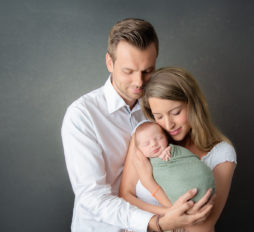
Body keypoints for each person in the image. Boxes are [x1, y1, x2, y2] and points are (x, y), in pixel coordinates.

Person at [61, 18, 214, 232]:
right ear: (109, 63)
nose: (139, 82)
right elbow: (92, 197)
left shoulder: (159, 110)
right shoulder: (82, 116)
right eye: (128, 71)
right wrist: (155, 222)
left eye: (147, 70)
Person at [120, 67, 237, 232]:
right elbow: (125, 197)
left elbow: (202, 225)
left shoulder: (221, 154)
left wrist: (149, 182)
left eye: (175, 112)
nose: (168, 125)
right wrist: (168, 214)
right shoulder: (147, 136)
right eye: (158, 116)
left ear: (193, 105)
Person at [133, 120, 216, 206]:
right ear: (139, 149)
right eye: (147, 144)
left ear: (166, 137)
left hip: (202, 183)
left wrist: (170, 150)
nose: (154, 144)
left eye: (159, 138)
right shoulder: (142, 163)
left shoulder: (172, 150)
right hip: (176, 205)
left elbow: (188, 160)